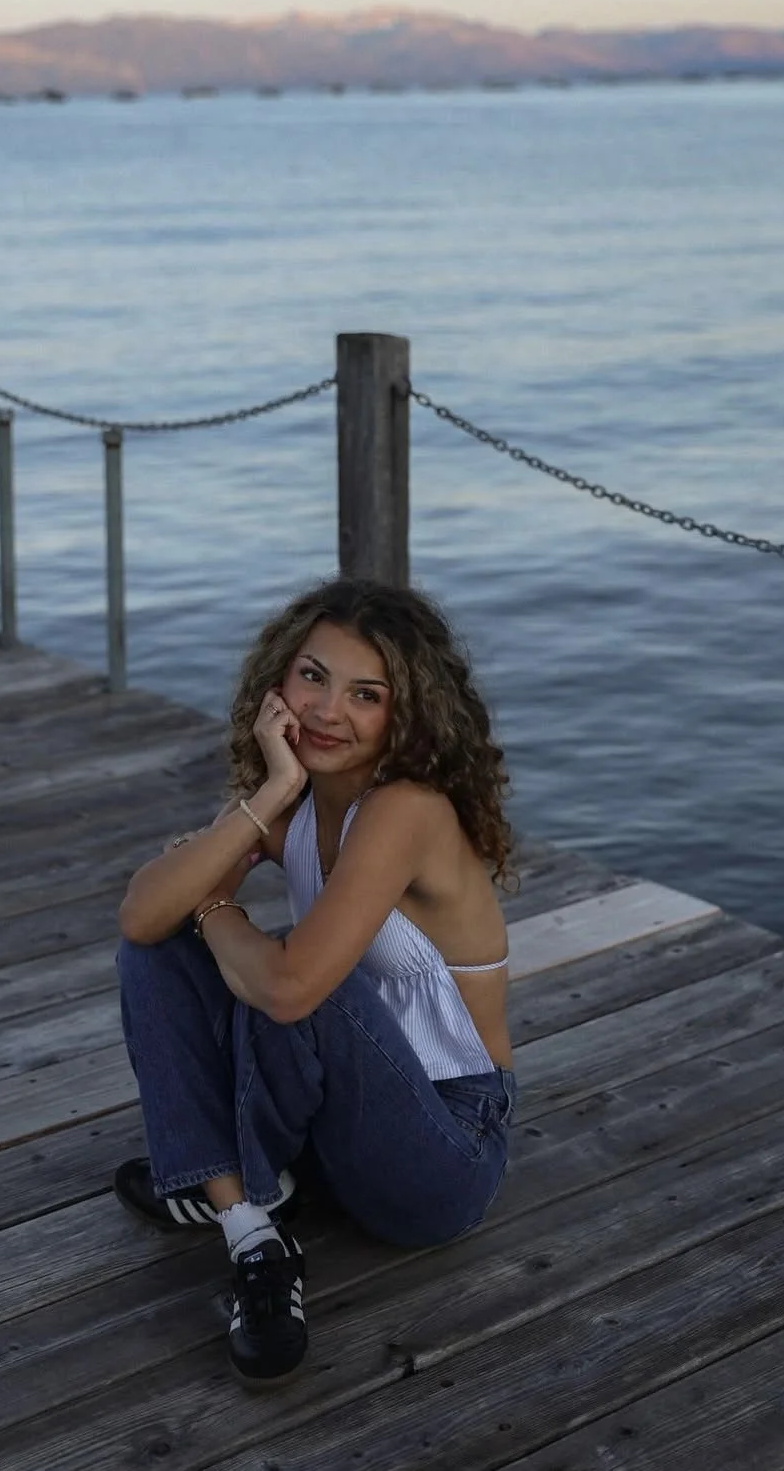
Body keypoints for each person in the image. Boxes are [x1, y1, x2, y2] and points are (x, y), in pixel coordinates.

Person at [113, 576, 518, 1389]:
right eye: (313, 677)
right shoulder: (297, 800)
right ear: (278, 681)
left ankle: (230, 1172)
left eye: (367, 694)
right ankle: (251, 1231)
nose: (330, 711)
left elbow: (296, 991)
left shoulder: (408, 808)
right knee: (160, 949)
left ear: (407, 713)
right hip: (339, 1128)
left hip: (444, 1149)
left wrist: (217, 910)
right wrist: (269, 794)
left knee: (297, 967)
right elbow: (139, 917)